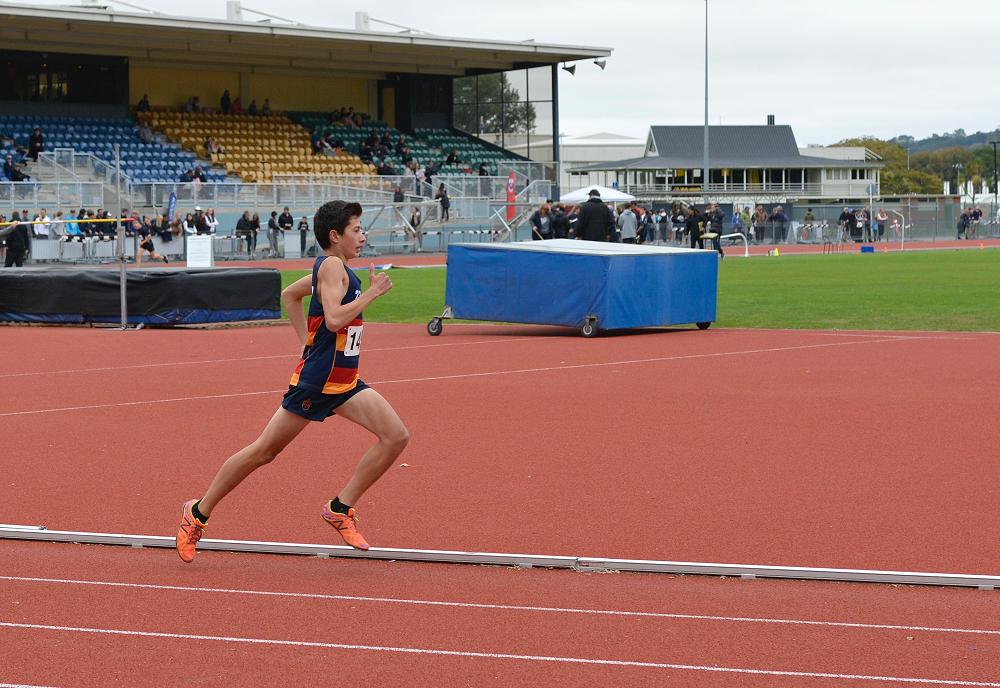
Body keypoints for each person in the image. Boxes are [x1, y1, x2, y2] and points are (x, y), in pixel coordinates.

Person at [175, 200, 408, 563]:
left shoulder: (338, 268)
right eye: (357, 229)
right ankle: (198, 513)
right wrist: (374, 295)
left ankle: (339, 507)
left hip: (345, 381)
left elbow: (290, 295)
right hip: (316, 384)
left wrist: (306, 343)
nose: (363, 236)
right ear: (335, 235)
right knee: (263, 452)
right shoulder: (332, 266)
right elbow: (333, 319)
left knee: (396, 436)